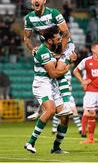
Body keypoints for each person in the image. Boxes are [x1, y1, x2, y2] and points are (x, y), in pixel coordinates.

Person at [24, 26, 75, 154]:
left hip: (51, 84)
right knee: (51, 110)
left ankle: (56, 147)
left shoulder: (49, 49)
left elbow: (56, 68)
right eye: (57, 38)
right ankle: (30, 142)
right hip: (42, 84)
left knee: (65, 116)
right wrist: (68, 62)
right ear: (50, 41)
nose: (60, 40)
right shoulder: (43, 51)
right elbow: (54, 73)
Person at [52, 70, 82, 135]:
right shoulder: (58, 70)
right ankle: (54, 129)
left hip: (69, 94)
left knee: (74, 111)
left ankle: (81, 129)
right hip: (60, 94)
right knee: (60, 112)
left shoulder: (68, 71)